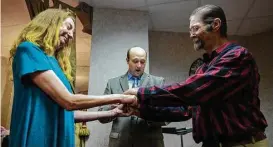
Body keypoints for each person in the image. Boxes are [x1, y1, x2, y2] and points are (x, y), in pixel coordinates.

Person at [125, 5, 269, 147]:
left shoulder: (237, 56)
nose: (191, 34)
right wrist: (140, 110)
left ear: (216, 24)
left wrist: (140, 93)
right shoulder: (203, 68)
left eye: (195, 28)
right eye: (190, 30)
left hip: (243, 143)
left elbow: (193, 90)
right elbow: (185, 110)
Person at [8, 9, 135, 147]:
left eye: (73, 33)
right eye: (68, 27)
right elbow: (69, 101)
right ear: (51, 23)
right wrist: (120, 97)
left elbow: (69, 113)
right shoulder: (29, 49)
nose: (71, 35)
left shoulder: (54, 63)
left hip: (59, 137)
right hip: (38, 137)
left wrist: (112, 112)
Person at [98, 47, 166, 147]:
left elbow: (167, 116)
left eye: (143, 62)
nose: (139, 65)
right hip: (120, 143)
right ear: (127, 60)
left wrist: (144, 112)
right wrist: (115, 108)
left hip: (150, 143)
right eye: (135, 61)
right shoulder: (112, 83)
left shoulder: (158, 82)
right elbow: (101, 115)